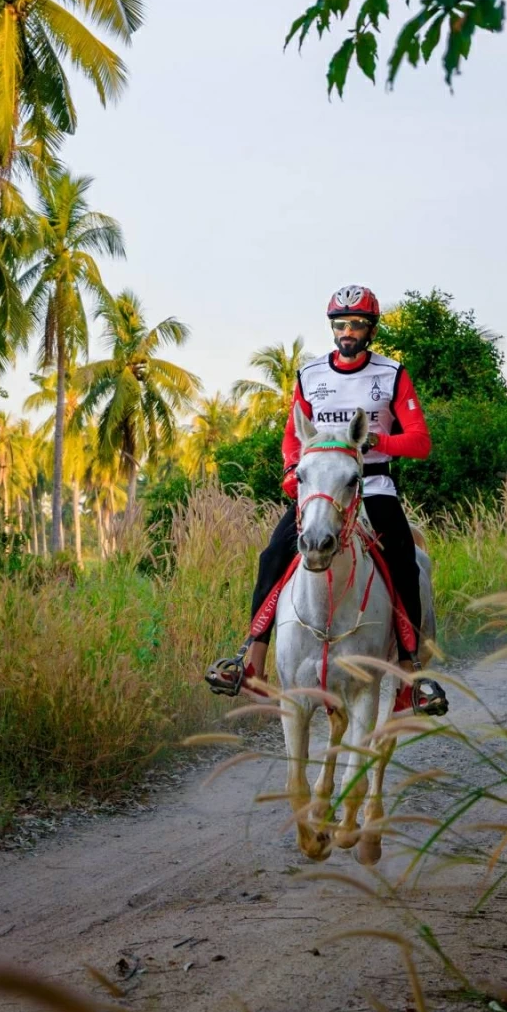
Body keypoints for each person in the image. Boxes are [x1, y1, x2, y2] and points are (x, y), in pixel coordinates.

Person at [204, 284, 447, 715]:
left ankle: (410, 673)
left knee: (404, 563)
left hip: (370, 484)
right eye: (341, 324)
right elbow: (292, 434)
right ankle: (252, 661)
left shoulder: (391, 373)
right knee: (273, 555)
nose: (348, 332)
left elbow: (421, 442)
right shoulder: (310, 374)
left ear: (370, 330)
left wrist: (379, 441)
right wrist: (290, 473)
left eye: (357, 324)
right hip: (319, 486)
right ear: (332, 328)